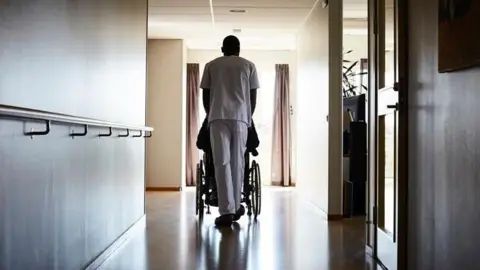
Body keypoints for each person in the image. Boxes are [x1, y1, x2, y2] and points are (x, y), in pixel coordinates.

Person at [200, 35, 260, 226]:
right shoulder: (248, 65)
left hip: (217, 117)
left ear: (222, 48)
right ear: (239, 49)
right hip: (241, 118)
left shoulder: (211, 65)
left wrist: (210, 115)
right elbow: (253, 96)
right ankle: (235, 208)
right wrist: (248, 117)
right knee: (238, 162)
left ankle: (227, 210)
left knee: (221, 162)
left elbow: (206, 95)